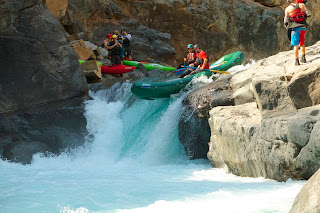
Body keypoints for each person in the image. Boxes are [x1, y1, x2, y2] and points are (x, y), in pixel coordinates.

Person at [284, 0, 311, 65]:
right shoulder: (302, 5)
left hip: (294, 28)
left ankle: (297, 61)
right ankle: (303, 58)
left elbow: (286, 21)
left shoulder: (287, 9)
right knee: (302, 43)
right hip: (302, 27)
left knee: (295, 45)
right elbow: (308, 14)